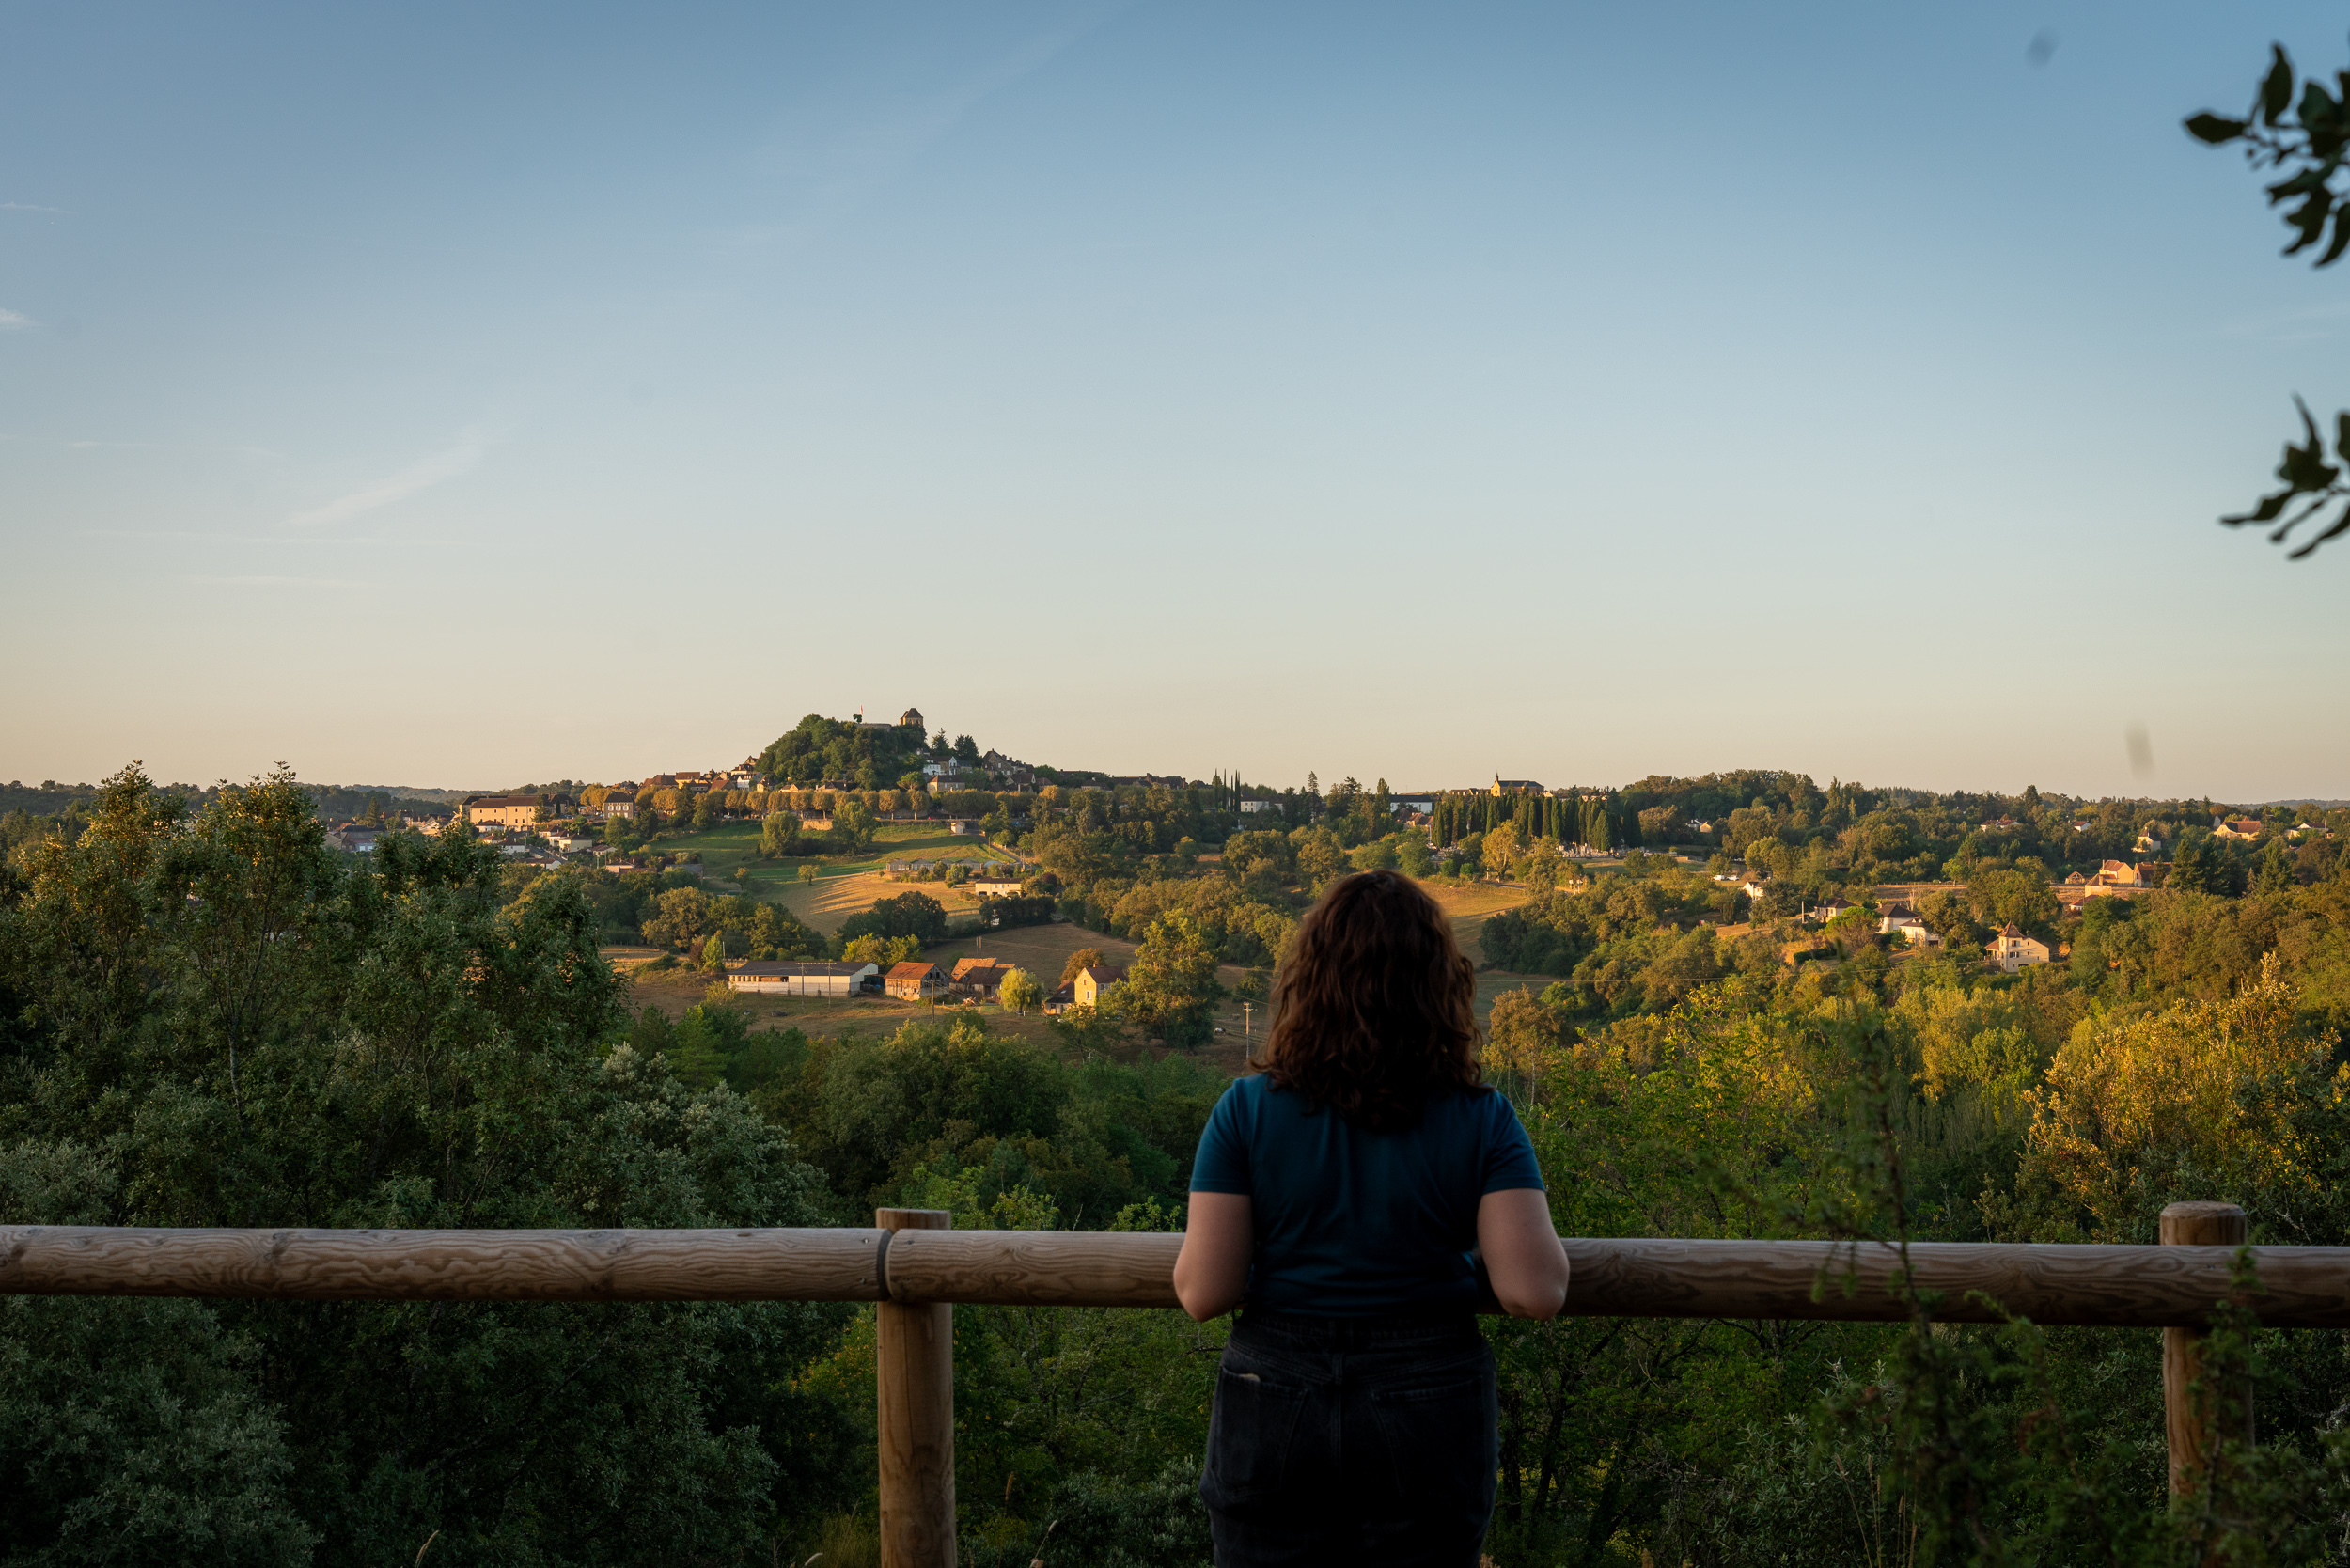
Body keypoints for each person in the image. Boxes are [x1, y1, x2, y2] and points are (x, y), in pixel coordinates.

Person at [1172, 870, 1570, 1567]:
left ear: (1309, 981)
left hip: (1273, 1396)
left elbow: (1204, 1292)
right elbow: (1534, 1291)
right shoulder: (1484, 1120)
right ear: (1439, 987)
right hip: (1428, 1397)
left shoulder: (1244, 1112)